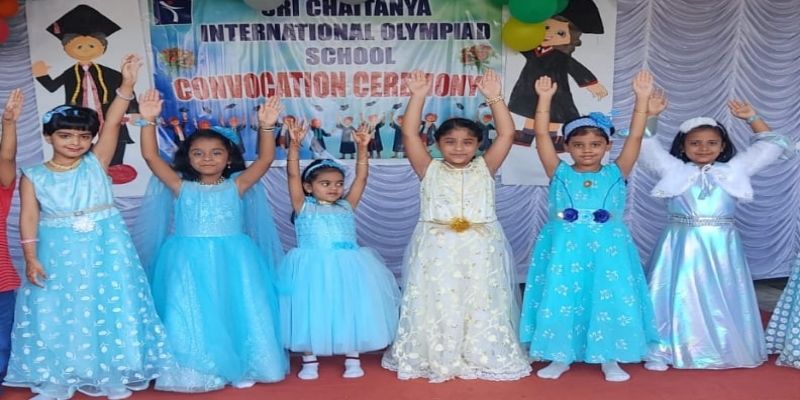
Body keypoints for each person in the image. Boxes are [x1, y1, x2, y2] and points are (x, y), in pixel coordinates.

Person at [4, 55, 171, 400]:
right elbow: (29, 218)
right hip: (57, 248)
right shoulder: (33, 175)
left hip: (105, 244)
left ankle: (113, 373)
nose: (75, 142)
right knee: (59, 307)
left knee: (109, 303)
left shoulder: (96, 162)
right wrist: (31, 258)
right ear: (48, 136)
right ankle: (60, 376)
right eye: (65, 135)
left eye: (83, 136)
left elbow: (113, 123)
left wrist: (126, 86)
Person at [382, 69, 531, 382]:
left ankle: (480, 352)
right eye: (450, 142)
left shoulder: (485, 167)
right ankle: (438, 352)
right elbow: (409, 135)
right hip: (436, 246)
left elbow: (506, 134)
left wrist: (495, 98)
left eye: (467, 142)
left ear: (478, 144)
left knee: (481, 298)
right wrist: (418, 96)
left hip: (480, 246)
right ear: (437, 143)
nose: (459, 148)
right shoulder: (428, 168)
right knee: (438, 298)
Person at [136, 90, 288, 392]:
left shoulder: (238, 184)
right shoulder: (179, 186)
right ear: (188, 157)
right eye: (198, 153)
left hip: (233, 258)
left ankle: (244, 364)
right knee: (190, 309)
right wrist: (148, 121)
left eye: (216, 153)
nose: (207, 158)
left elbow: (265, 159)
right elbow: (151, 156)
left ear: (229, 157)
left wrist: (267, 126)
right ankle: (195, 370)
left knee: (235, 306)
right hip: (187, 260)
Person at [518, 71, 657, 382]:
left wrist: (642, 100)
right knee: (562, 296)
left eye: (595, 144)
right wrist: (544, 100)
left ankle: (610, 356)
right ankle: (559, 354)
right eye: (579, 144)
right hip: (564, 249)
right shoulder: (559, 172)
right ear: (567, 146)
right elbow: (541, 136)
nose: (587, 150)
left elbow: (635, 137)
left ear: (607, 145)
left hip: (608, 250)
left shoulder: (617, 172)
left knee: (609, 296)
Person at [640, 94, 791, 370]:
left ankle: (723, 348)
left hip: (722, 246)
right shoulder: (672, 169)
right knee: (676, 293)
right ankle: (663, 349)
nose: (703, 148)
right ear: (683, 146)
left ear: (722, 147)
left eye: (711, 143)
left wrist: (752, 117)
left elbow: (772, 145)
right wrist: (652, 116)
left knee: (721, 294)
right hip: (680, 243)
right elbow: (644, 143)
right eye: (695, 143)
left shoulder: (735, 169)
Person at [280, 120, 399, 380]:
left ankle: (352, 357)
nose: (334, 188)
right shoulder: (303, 207)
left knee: (349, 307)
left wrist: (363, 148)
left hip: (348, 268)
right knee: (310, 308)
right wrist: (294, 146)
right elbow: (292, 176)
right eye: (325, 183)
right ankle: (310, 360)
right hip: (312, 268)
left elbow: (362, 178)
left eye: (338, 183)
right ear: (309, 187)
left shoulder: (347, 206)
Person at [0, 89, 22, 397]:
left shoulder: (2, 191)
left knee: (2, 342)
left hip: (1, 282)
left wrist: (8, 123)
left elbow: (7, 157)